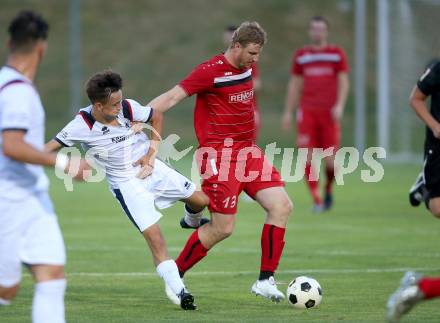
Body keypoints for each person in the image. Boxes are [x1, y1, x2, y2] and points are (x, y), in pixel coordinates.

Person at [148, 21, 292, 303]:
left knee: (282, 206)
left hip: (248, 154)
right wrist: (138, 116)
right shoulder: (209, 71)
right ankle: (175, 274)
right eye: (252, 52)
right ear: (236, 46)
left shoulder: (247, 67)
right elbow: (172, 96)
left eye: (258, 53)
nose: (255, 59)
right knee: (223, 228)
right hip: (219, 158)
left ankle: (265, 280)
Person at [45, 70, 210, 310]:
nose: (120, 107)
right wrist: (64, 164)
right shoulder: (80, 126)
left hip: (151, 168)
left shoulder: (128, 108)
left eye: (121, 100)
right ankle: (180, 290)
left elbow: (158, 116)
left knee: (201, 200)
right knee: (156, 238)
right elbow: (46, 149)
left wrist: (150, 156)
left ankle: (190, 220)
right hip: (127, 185)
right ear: (98, 105)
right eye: (114, 104)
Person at [0, 11, 88, 323]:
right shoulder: (18, 92)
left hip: (32, 199)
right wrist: (65, 162)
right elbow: (11, 145)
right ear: (42, 48)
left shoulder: (10, 85)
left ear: (10, 42)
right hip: (9, 199)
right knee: (6, 290)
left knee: (51, 274)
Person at [282, 16, 349, 212]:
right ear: (310, 32)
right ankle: (316, 199)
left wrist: (340, 105)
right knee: (308, 157)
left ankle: (328, 188)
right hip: (307, 112)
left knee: (330, 163)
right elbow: (294, 84)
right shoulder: (302, 55)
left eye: (320, 29)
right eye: (314, 29)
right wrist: (288, 111)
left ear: (326, 31)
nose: (317, 32)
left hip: (329, 113)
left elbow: (344, 81)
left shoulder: (336, 54)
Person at [407, 60, 440, 219]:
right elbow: (415, 99)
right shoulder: (438, 69)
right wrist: (434, 126)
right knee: (438, 210)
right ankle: (422, 187)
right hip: (438, 144)